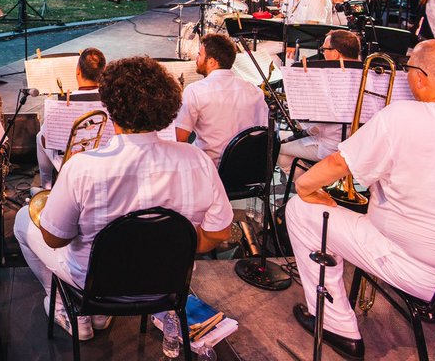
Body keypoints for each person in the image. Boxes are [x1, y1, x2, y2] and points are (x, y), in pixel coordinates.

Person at [286, 41, 435, 360]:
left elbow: (336, 166)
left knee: (301, 209)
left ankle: (337, 327)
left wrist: (306, 186)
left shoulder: (406, 116)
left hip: (433, 279)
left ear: (420, 77)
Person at [13, 56, 234, 341]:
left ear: (110, 107)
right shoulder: (198, 160)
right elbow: (220, 231)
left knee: (22, 220)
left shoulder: (82, 167)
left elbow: (56, 239)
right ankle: (102, 314)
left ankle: (69, 311)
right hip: (167, 283)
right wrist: (171, 248)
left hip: (95, 281)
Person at [174, 35, 269, 165]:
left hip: (210, 169)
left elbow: (180, 139)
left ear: (212, 62)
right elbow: (263, 134)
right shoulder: (254, 90)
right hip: (248, 168)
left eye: (199, 55)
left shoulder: (194, 91)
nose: (196, 59)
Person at [278, 29, 360, 176]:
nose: (322, 53)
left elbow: (315, 125)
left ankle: (310, 187)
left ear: (335, 53)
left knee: (276, 146)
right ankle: (318, 177)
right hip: (360, 146)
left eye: (324, 49)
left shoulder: (326, 79)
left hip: (332, 146)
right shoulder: (369, 75)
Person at [34, 48, 106, 192]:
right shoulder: (111, 101)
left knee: (40, 136)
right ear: (103, 72)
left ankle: (47, 188)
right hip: (104, 159)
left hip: (71, 163)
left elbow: (47, 139)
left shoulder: (61, 104)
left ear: (78, 71)